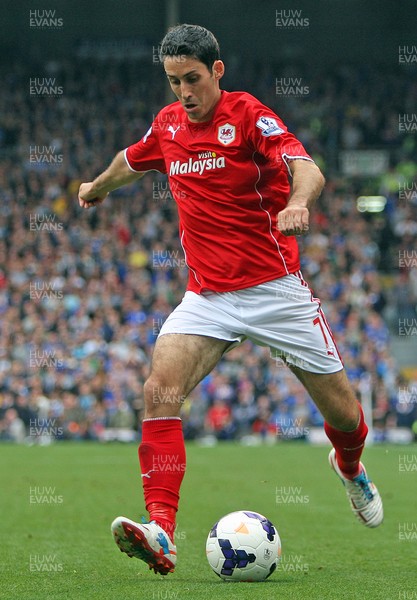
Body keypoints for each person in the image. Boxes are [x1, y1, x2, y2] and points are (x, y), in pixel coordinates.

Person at [78, 24, 383, 576]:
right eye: (173, 81)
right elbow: (133, 158)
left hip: (275, 290)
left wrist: (298, 203)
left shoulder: (247, 115)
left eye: (192, 79)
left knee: (344, 414)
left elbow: (305, 166)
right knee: (159, 389)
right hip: (208, 296)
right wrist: (96, 186)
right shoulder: (169, 124)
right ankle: (162, 531)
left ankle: (350, 465)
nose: (183, 92)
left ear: (217, 71)